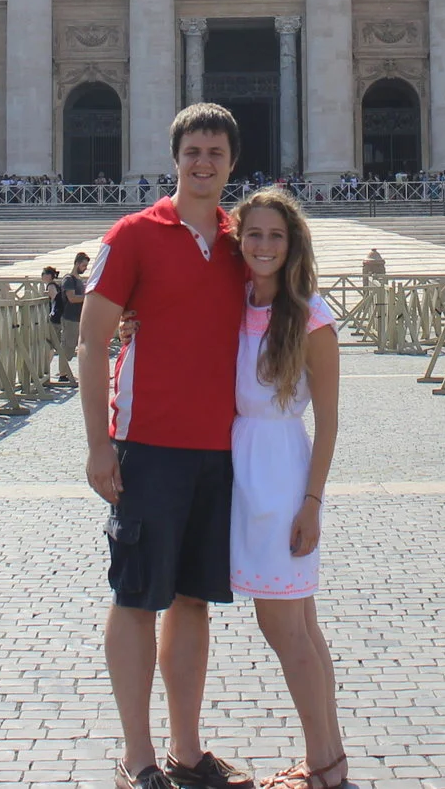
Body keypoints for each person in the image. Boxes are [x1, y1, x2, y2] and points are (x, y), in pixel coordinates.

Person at [80, 103, 255, 789]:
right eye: (193, 152)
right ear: (175, 158)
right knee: (134, 596)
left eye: (215, 153)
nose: (204, 163)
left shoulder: (243, 241)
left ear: (232, 163)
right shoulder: (131, 235)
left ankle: (187, 750)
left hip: (218, 447)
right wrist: (100, 445)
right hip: (147, 443)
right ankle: (138, 755)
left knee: (192, 601)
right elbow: (92, 343)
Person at [230, 189, 347, 788]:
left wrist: (311, 503)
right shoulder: (234, 304)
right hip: (243, 474)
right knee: (301, 625)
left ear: (292, 243)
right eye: (254, 234)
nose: (265, 246)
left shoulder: (311, 317)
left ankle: (322, 763)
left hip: (280, 478)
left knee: (284, 628)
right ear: (238, 239)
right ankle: (330, 757)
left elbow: (327, 420)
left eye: (276, 236)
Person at [50, 252, 89, 386]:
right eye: (83, 265)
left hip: (79, 317)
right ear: (77, 263)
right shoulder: (69, 279)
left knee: (76, 346)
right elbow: (72, 298)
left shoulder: (78, 279)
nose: (85, 268)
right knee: (67, 346)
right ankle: (63, 374)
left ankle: (68, 372)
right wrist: (88, 298)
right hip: (70, 317)